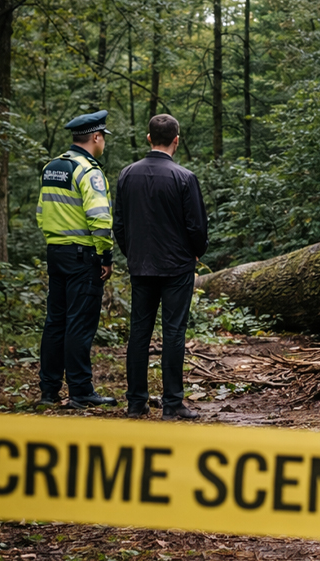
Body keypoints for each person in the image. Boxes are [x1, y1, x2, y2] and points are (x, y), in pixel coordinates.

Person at [114, 114, 209, 419]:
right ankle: (172, 404)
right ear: (176, 140)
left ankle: (135, 403)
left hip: (141, 265)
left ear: (148, 138)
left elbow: (119, 225)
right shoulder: (185, 177)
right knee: (173, 332)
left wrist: (133, 253)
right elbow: (197, 226)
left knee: (139, 332)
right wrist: (196, 253)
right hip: (177, 267)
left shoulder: (127, 175)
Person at [36, 110, 117, 410]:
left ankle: (49, 389)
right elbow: (99, 218)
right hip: (83, 257)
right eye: (103, 137)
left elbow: (41, 214)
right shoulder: (90, 172)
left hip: (56, 253)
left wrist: (56, 241)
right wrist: (105, 255)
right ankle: (81, 391)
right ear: (96, 137)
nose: (104, 141)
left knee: (55, 322)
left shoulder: (52, 167)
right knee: (79, 324)